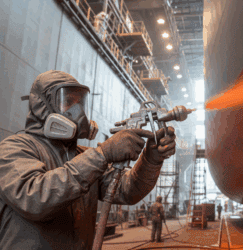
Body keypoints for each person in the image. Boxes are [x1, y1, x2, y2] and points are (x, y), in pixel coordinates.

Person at [0, 70, 176, 249]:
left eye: (80, 103)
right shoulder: (14, 148)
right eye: (68, 102)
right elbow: (35, 198)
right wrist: (102, 154)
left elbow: (126, 190)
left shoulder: (83, 156)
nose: (78, 112)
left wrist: (151, 159)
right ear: (41, 107)